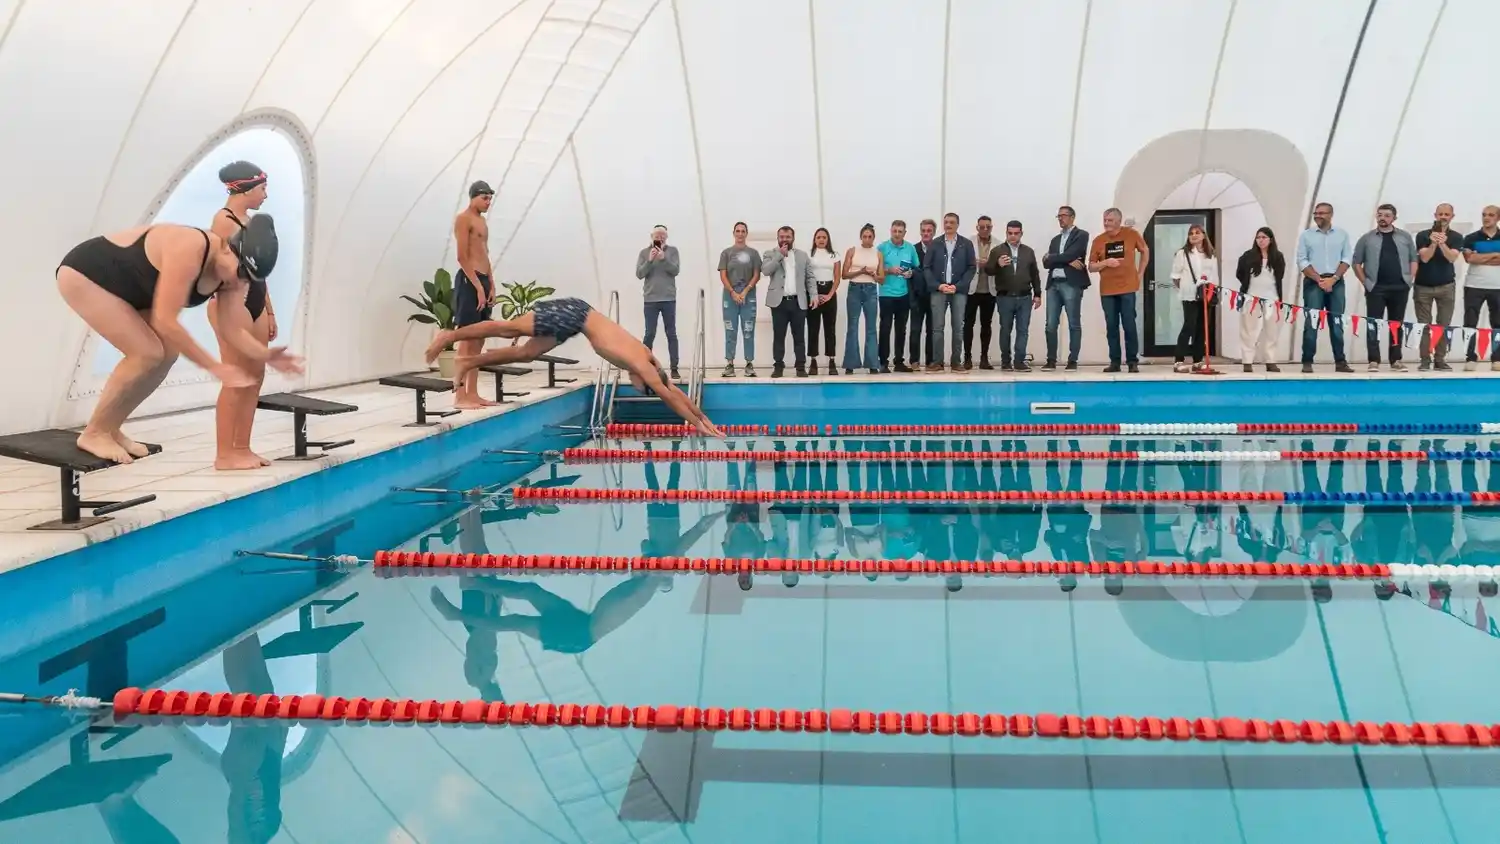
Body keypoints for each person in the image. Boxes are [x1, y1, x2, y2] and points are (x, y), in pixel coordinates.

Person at [56, 215, 300, 464]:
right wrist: (214, 367)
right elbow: (166, 320)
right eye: (240, 271)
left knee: (167, 354)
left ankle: (111, 427)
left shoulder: (232, 278)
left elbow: (232, 330)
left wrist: (265, 354)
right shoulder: (190, 247)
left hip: (132, 288)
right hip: (87, 274)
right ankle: (94, 432)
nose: (240, 281)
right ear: (228, 247)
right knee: (146, 352)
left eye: (248, 277)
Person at [425, 297, 723, 436]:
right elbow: (670, 396)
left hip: (576, 322)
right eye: (645, 390)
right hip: (575, 315)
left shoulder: (647, 359)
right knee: (509, 330)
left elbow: (672, 389)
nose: (639, 389)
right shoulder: (642, 366)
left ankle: (469, 361)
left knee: (527, 354)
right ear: (645, 381)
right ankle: (450, 335)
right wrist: (698, 423)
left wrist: (701, 417)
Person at [206, 161, 278, 470]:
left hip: (256, 300)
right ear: (244, 188)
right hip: (230, 303)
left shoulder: (251, 222)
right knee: (236, 377)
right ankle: (225, 454)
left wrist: (270, 311)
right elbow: (218, 270)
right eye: (262, 188)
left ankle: (243, 448)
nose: (265, 195)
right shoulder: (223, 222)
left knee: (255, 376)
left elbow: (259, 271)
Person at [1351, 203, 1418, 371]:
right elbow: (1356, 262)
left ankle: (1396, 360)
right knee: (1374, 324)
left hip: (1400, 287)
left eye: (1387, 215)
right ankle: (1374, 360)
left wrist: (1409, 280)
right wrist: (1366, 283)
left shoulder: (1404, 237)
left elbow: (1413, 259)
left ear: (1394, 218)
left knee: (1396, 325)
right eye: (1380, 215)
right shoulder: (1367, 238)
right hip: (1376, 288)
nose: (1383, 218)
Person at [1294, 202, 1354, 373]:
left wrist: (1333, 279)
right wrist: (1319, 279)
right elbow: (1302, 260)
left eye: (1322, 213)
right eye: (1316, 213)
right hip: (1314, 282)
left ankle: (1340, 362)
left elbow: (1347, 259)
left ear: (1331, 214)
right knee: (1311, 323)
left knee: (1336, 323)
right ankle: (1307, 361)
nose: (1317, 215)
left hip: (1336, 282)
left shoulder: (1342, 234)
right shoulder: (1306, 235)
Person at [1087, 208, 1149, 373]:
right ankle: (1114, 362)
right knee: (1111, 326)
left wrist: (1140, 273)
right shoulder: (1099, 240)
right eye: (1105, 220)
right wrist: (1105, 263)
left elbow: (1145, 251)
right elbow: (1091, 266)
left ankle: (1132, 361)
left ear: (1118, 221)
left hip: (1128, 287)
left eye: (1110, 220)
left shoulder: (1131, 234)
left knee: (1129, 324)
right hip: (1107, 291)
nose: (1106, 223)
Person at [452, 181, 496, 409]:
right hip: (469, 282)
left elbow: (485, 254)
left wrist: (491, 284)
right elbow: (462, 256)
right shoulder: (463, 219)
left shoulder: (482, 222)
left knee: (479, 340)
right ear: (473, 197)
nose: (488, 202)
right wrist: (478, 286)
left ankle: (473, 393)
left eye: (490, 198)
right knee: (466, 339)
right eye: (484, 198)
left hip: (483, 280)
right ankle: (459, 396)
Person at [760, 225, 819, 377]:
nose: (785, 239)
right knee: (779, 336)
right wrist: (779, 255)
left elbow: (810, 277)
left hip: (798, 302)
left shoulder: (802, 255)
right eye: (782, 237)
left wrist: (814, 295)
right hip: (778, 303)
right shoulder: (770, 253)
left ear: (793, 238)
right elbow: (766, 270)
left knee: (799, 336)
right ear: (778, 238)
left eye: (788, 237)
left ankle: (800, 367)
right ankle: (778, 366)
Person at [985, 220, 1041, 371]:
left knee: (1023, 330)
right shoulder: (997, 250)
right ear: (1006, 233)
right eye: (1010, 233)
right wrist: (998, 264)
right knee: (1005, 329)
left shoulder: (1028, 251)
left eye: (1016, 233)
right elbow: (988, 270)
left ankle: (1019, 361)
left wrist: (1038, 294)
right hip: (1005, 297)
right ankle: (1005, 361)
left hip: (1025, 297)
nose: (1013, 236)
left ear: (1021, 234)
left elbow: (1034, 273)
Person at [923, 212, 975, 371]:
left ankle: (956, 362)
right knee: (937, 327)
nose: (948, 225)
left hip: (958, 291)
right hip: (939, 290)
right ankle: (937, 362)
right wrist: (938, 285)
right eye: (946, 222)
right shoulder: (935, 243)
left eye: (952, 222)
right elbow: (926, 268)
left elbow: (971, 267)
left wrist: (958, 286)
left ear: (957, 225)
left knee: (958, 327)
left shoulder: (966, 244)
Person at [1413, 204, 1462, 371]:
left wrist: (1442, 244)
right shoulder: (1422, 235)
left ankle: (1440, 359)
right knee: (1424, 325)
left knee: (1443, 324)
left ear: (1452, 216)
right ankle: (1425, 359)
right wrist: (1433, 243)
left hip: (1446, 286)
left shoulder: (1456, 236)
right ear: (1435, 215)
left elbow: (1451, 258)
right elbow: (1425, 258)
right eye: (1440, 214)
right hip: (1423, 286)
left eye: (1446, 214)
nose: (1443, 217)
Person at [1041, 206, 1089, 371]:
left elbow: (1073, 253)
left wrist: (1054, 258)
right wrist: (1066, 260)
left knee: (1073, 323)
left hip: (1071, 283)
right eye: (1058, 216)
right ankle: (1051, 360)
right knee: (1050, 324)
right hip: (1053, 284)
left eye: (1064, 216)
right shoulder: (1055, 239)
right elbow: (1046, 263)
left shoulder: (1081, 235)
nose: (1060, 219)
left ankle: (1073, 360)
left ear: (1072, 217)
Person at [1235, 227, 1286, 372]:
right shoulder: (1248, 256)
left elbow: (1280, 276)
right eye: (1258, 237)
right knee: (1248, 330)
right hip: (1251, 298)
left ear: (1270, 239)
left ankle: (1270, 361)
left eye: (1264, 237)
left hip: (1272, 299)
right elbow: (1240, 274)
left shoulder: (1277, 257)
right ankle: (1247, 361)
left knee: (1271, 331)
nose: (1261, 240)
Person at [1170, 223, 1218, 373]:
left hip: (1206, 295)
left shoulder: (1210, 254)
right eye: (1191, 233)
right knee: (1189, 326)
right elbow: (1175, 275)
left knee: (1202, 328)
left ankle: (1198, 360)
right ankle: (1179, 360)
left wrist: (1210, 292)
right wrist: (1186, 288)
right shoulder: (1182, 254)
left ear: (1204, 235)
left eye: (1197, 232)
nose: (1194, 235)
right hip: (1189, 295)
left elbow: (1214, 276)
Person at [637, 224, 681, 380]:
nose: (660, 238)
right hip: (650, 299)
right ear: (652, 236)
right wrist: (650, 260)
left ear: (666, 237)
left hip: (668, 298)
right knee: (649, 333)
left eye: (662, 235)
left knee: (671, 333)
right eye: (657, 235)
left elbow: (675, 270)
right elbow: (639, 274)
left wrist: (663, 259)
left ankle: (674, 368)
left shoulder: (673, 251)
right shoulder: (644, 253)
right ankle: (645, 366)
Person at [719, 222, 761, 377]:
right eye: (738, 231)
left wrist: (744, 292)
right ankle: (729, 363)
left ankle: (749, 363)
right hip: (729, 297)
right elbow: (723, 275)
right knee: (730, 330)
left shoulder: (753, 253)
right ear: (734, 233)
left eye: (743, 231)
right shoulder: (726, 253)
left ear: (746, 233)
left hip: (748, 296)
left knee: (748, 330)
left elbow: (757, 274)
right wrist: (733, 292)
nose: (740, 234)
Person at [877, 220, 919, 373]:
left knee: (901, 329)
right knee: (885, 328)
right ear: (890, 231)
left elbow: (916, 267)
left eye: (900, 231)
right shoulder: (882, 248)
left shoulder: (910, 248)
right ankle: (883, 362)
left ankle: (899, 361)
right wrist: (889, 270)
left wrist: (911, 273)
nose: (897, 234)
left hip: (904, 294)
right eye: (894, 231)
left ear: (904, 233)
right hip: (886, 294)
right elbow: (876, 269)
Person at [841, 223, 882, 374]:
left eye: (870, 236)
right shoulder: (852, 251)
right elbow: (844, 274)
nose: (867, 239)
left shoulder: (878, 253)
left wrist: (874, 275)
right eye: (864, 236)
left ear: (873, 238)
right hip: (855, 289)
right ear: (860, 237)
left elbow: (882, 278)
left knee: (871, 327)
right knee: (853, 326)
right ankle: (850, 364)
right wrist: (860, 272)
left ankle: (872, 363)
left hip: (871, 289)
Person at [963, 216, 1000, 370]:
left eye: (988, 227)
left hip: (989, 290)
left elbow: (1001, 266)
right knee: (968, 325)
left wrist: (990, 263)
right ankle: (967, 358)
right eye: (982, 227)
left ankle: (984, 358)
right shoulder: (968, 242)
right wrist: (976, 263)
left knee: (986, 325)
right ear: (977, 227)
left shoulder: (998, 244)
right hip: (971, 290)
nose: (985, 229)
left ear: (991, 227)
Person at [806, 227, 841, 374]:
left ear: (828, 240)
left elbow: (837, 277)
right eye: (818, 237)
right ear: (814, 239)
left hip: (829, 292)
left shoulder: (835, 255)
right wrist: (813, 294)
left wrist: (830, 295)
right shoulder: (809, 255)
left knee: (830, 328)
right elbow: (806, 275)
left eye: (824, 237)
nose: (821, 240)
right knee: (813, 327)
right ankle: (813, 361)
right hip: (813, 292)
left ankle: (831, 360)